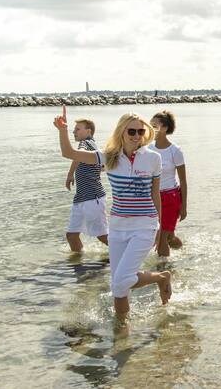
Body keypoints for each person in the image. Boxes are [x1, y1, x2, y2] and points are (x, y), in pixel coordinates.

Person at [53, 106, 172, 320]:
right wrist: (62, 130)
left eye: (140, 131)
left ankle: (160, 278)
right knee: (118, 286)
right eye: (132, 131)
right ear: (121, 132)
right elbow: (69, 153)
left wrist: (160, 226)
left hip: (144, 225)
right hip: (117, 228)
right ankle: (121, 330)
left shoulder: (153, 158)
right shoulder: (108, 157)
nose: (137, 136)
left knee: (120, 280)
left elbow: (156, 194)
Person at [64, 118, 108, 252]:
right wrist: (70, 174)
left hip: (92, 197)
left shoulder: (86, 143)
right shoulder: (91, 146)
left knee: (102, 236)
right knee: (71, 235)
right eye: (74, 129)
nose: (73, 132)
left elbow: (77, 154)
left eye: (77, 129)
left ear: (88, 131)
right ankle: (79, 265)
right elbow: (79, 157)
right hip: (81, 197)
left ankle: (127, 255)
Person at [149, 110, 187, 258]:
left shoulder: (175, 151)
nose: (149, 128)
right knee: (167, 236)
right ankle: (184, 251)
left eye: (153, 126)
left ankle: (163, 272)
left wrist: (184, 207)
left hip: (171, 198)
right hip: (152, 198)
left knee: (161, 237)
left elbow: (183, 181)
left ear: (164, 128)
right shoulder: (147, 148)